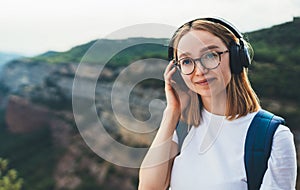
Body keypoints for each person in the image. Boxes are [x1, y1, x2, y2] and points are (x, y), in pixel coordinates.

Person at [138, 17, 297, 190]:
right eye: (186, 61)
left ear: (237, 57)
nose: (199, 71)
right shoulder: (182, 128)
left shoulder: (273, 137)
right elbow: (148, 187)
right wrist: (171, 113)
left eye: (210, 55)